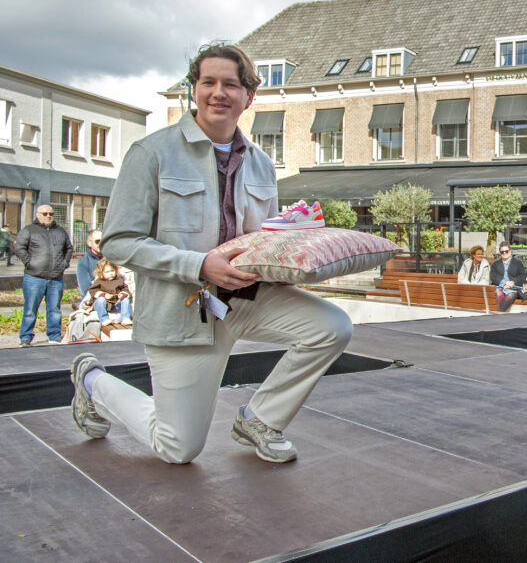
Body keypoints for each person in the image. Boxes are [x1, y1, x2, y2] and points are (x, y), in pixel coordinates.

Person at [68, 43, 350, 464]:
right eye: (208, 82)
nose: (219, 92)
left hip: (245, 302)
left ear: (248, 97)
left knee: (332, 326)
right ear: (194, 90)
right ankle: (92, 381)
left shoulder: (260, 164)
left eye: (230, 84)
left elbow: (264, 238)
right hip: (182, 312)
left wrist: (288, 255)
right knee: (178, 449)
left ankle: (259, 418)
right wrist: (199, 265)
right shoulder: (151, 153)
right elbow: (119, 242)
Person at [14, 204, 73, 347]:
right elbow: (19, 247)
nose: (48, 216)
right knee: (30, 309)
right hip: (34, 277)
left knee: (54, 309)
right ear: (37, 215)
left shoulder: (60, 231)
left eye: (51, 214)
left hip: (55, 278)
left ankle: (54, 336)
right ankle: (25, 337)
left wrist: (64, 263)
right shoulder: (29, 230)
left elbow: (69, 248)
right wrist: (30, 263)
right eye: (45, 213)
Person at [83, 259, 133, 326]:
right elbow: (92, 290)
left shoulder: (119, 280)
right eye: (107, 272)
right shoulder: (99, 281)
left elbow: (125, 289)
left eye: (112, 271)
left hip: (115, 304)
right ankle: (104, 319)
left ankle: (125, 318)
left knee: (125, 299)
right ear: (101, 273)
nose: (111, 273)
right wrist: (103, 294)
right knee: (101, 300)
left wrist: (122, 294)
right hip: (103, 305)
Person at [490, 240, 527, 311]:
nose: (504, 253)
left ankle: (498, 314)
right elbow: (493, 276)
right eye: (502, 252)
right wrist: (504, 283)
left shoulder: (517, 263)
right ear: (500, 253)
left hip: (513, 289)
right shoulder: (496, 264)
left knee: (510, 295)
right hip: (500, 288)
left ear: (510, 251)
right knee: (498, 294)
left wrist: (512, 282)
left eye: (506, 251)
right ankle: (497, 314)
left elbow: (523, 276)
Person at [76, 229, 104, 306]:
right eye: (97, 241)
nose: (101, 244)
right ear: (89, 243)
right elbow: (86, 289)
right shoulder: (83, 263)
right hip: (94, 300)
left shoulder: (111, 259)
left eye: (103, 240)